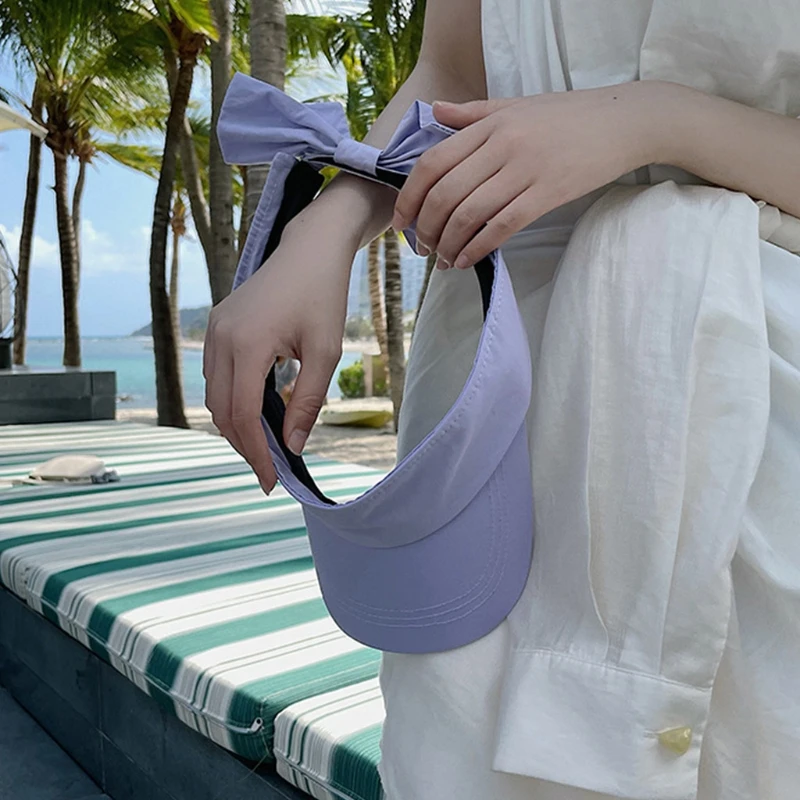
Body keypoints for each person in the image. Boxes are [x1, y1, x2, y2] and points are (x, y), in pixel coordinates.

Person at [204, 1, 800, 797]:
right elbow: (453, 72)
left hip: (759, 379)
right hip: (494, 367)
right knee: (460, 747)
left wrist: (656, 120)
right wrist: (325, 227)